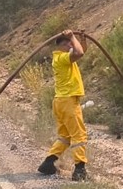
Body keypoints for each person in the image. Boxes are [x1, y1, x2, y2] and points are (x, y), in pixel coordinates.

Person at [37, 29, 89, 181]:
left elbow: (81, 50)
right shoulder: (61, 58)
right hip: (68, 102)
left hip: (61, 101)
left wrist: (82, 39)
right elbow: (79, 53)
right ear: (62, 45)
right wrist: (72, 37)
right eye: (68, 44)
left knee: (65, 136)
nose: (71, 46)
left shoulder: (64, 58)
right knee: (78, 135)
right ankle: (80, 170)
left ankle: (48, 163)